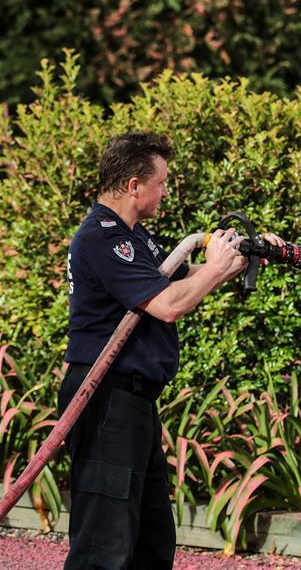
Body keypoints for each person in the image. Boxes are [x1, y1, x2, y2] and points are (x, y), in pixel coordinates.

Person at [60, 132, 284, 569]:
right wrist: (216, 269)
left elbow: (184, 278)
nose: (166, 191)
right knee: (105, 545)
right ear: (133, 185)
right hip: (103, 397)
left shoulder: (134, 238)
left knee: (151, 540)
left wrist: (241, 257)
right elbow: (167, 304)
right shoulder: (102, 239)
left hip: (132, 401)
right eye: (161, 182)